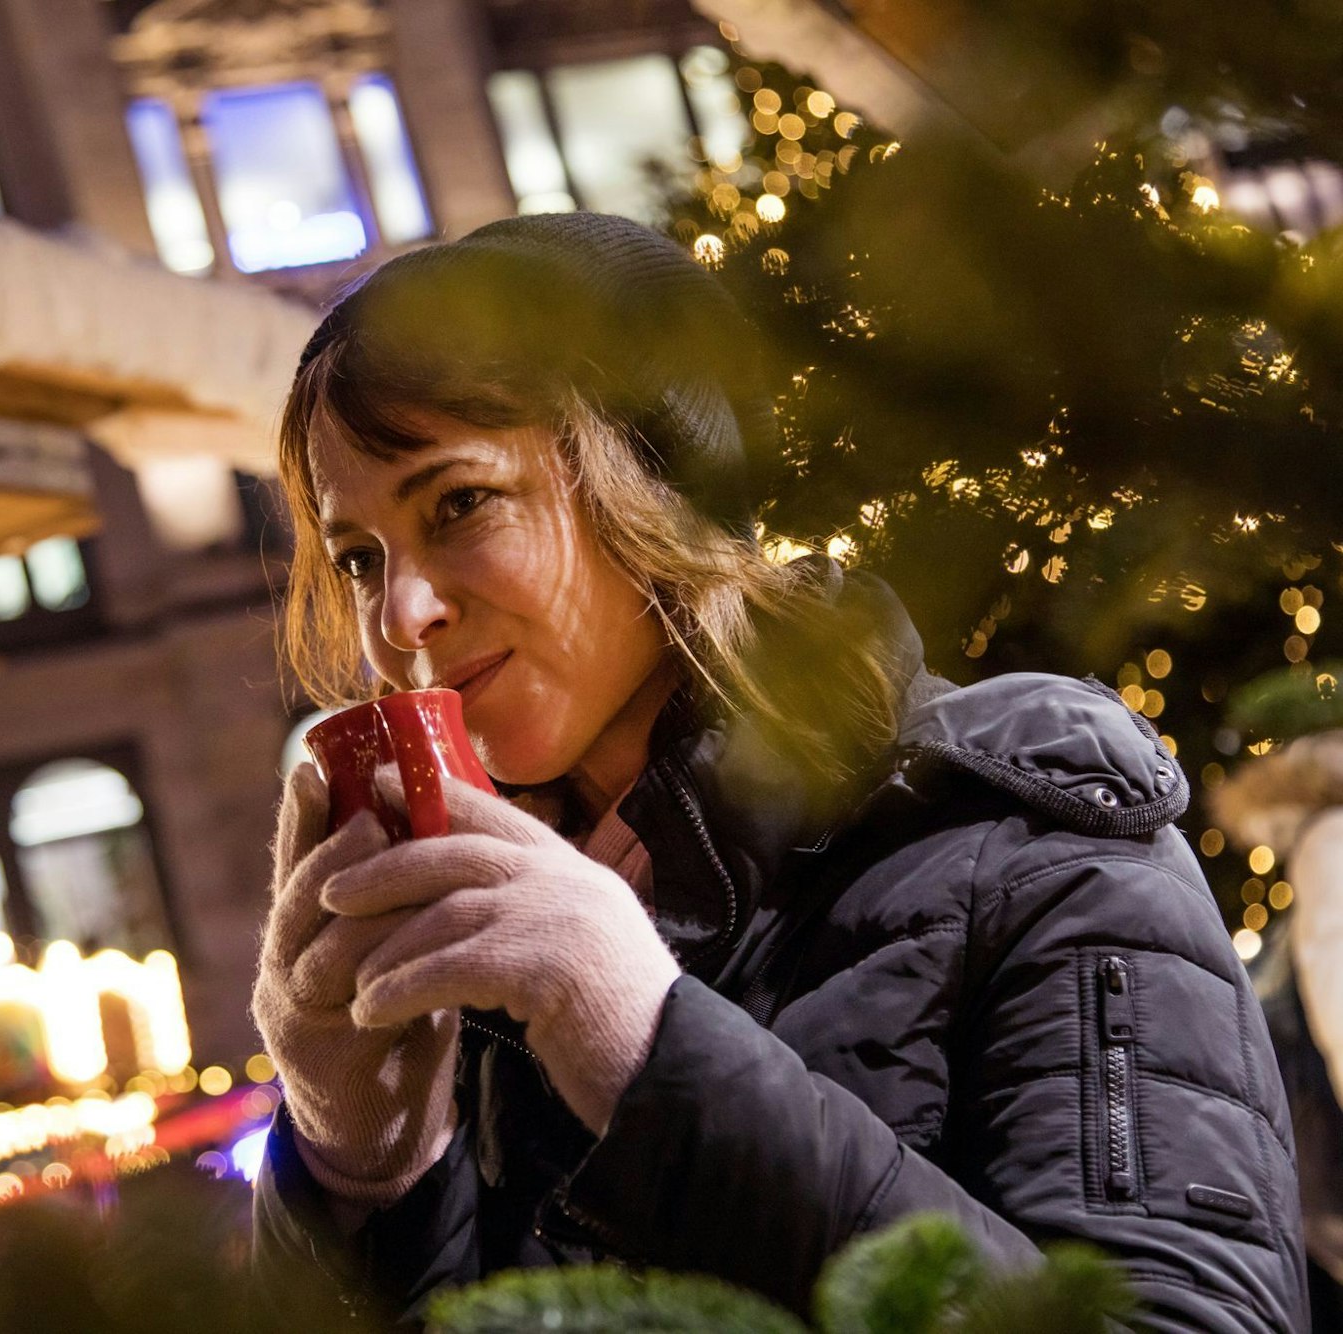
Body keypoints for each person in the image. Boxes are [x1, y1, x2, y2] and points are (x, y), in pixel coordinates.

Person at [248, 212, 1309, 1331]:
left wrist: (641, 1040)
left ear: (657, 481)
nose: (398, 617)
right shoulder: (479, 954)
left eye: (458, 502)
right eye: (359, 557)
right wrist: (358, 1170)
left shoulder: (1021, 828)